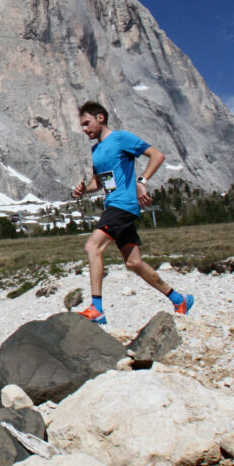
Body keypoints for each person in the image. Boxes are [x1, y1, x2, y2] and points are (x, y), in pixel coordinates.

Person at [70, 100, 194, 324]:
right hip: (113, 205)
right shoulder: (96, 150)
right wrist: (83, 190)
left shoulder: (121, 138)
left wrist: (141, 181)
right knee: (133, 263)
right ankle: (179, 299)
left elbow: (157, 155)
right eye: (81, 126)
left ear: (101, 118)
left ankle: (97, 308)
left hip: (123, 206)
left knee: (92, 246)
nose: (84, 129)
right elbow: (100, 182)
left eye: (87, 123)